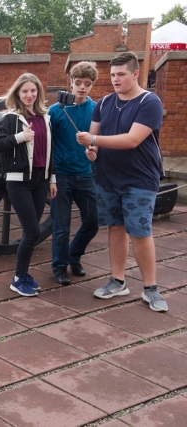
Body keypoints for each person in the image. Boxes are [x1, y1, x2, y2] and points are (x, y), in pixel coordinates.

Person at [77, 51, 168, 312]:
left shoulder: (150, 102)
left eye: (121, 74)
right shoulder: (104, 103)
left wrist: (94, 141)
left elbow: (132, 140)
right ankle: (118, 281)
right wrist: (91, 150)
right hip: (107, 177)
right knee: (115, 228)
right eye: (112, 75)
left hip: (140, 178)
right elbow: (94, 137)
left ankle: (151, 288)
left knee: (139, 232)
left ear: (135, 73)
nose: (115, 79)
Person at [0, 73, 57, 296]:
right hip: (19, 182)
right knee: (31, 232)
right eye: (25, 91)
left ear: (38, 92)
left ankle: (24, 274)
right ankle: (18, 278)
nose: (29, 95)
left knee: (33, 232)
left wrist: (52, 179)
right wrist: (20, 137)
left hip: (41, 181)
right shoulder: (11, 119)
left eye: (33, 91)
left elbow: (50, 151)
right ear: (18, 93)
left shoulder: (45, 118)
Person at [49, 62, 99, 285]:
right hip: (61, 175)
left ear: (92, 85)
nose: (82, 88)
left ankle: (74, 255)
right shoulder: (56, 110)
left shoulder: (96, 110)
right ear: (70, 82)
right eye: (78, 83)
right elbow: (47, 144)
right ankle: (59, 266)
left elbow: (99, 140)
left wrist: (95, 152)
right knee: (61, 227)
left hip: (85, 174)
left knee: (92, 221)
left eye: (87, 84)